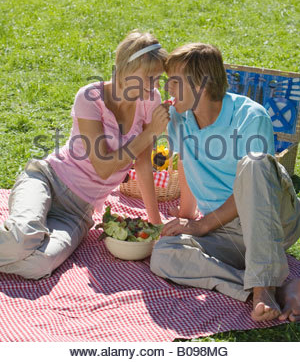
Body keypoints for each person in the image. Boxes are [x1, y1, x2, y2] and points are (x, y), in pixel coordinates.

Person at [0, 30, 170, 280]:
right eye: (148, 77)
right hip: (48, 180)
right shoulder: (90, 97)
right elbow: (103, 167)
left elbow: (143, 163)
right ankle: (25, 235)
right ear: (125, 70)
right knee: (22, 239)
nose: (155, 86)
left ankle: (28, 237)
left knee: (40, 265)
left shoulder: (150, 100)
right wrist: (150, 134)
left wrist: (156, 224)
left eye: (158, 78)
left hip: (78, 211)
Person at [150, 42, 300, 322]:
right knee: (164, 254)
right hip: (226, 231)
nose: (167, 88)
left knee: (253, 163)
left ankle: (263, 288)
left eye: (175, 81)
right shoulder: (179, 119)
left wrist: (200, 225)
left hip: (272, 217)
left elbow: (259, 183)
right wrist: (187, 217)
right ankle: (270, 289)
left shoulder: (249, 116)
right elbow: (184, 162)